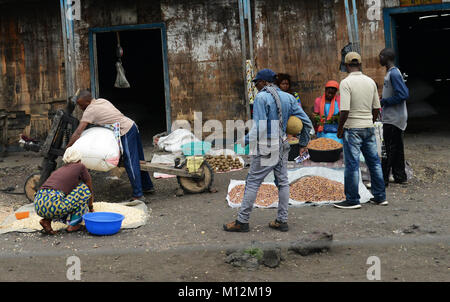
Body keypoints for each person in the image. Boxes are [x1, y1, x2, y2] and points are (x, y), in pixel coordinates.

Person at [223, 69, 312, 232]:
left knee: (252, 182)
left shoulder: (262, 97)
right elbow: (307, 122)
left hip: (267, 145)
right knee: (283, 182)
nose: (256, 86)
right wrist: (303, 143)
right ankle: (282, 220)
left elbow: (260, 128)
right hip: (284, 144)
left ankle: (242, 221)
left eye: (256, 83)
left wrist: (243, 141)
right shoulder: (289, 98)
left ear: (264, 82)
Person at [67, 90, 154, 202]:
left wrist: (68, 147)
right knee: (139, 161)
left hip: (125, 131)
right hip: (131, 125)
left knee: (131, 163)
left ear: (87, 102)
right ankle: (147, 186)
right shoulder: (101, 101)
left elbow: (78, 132)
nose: (79, 107)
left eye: (81, 104)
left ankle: (138, 195)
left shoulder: (90, 111)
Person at [335, 52, 387, 209]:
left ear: (346, 65)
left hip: (352, 129)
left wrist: (340, 128)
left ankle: (352, 200)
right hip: (368, 127)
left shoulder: (345, 83)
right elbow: (377, 108)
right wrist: (369, 121)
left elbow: (344, 110)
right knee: (374, 163)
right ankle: (380, 196)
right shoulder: (370, 82)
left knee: (352, 164)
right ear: (360, 64)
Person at [34, 147, 94, 234]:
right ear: (79, 159)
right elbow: (89, 187)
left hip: (38, 204)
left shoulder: (61, 169)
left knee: (60, 198)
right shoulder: (80, 166)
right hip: (54, 205)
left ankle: (46, 221)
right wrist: (91, 207)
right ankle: (73, 225)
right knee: (84, 189)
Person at [379, 48, 409, 186]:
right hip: (394, 117)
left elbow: (403, 94)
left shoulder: (394, 74)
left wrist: (385, 101)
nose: (379, 59)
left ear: (385, 57)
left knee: (388, 150)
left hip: (394, 118)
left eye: (380, 56)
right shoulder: (391, 73)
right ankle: (400, 176)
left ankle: (383, 180)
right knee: (396, 148)